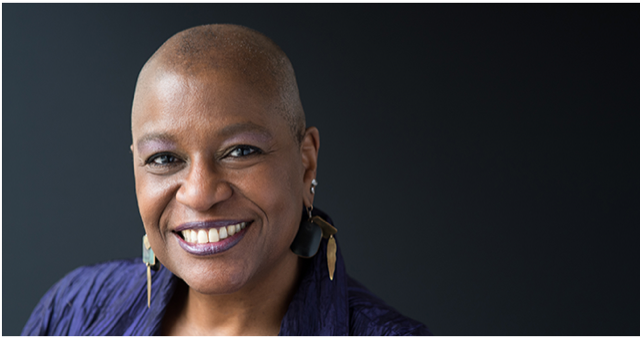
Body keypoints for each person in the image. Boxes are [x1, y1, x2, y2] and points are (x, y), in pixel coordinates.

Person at [22, 24, 431, 336]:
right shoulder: (73, 311)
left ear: (306, 162)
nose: (200, 194)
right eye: (164, 158)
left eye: (240, 152)